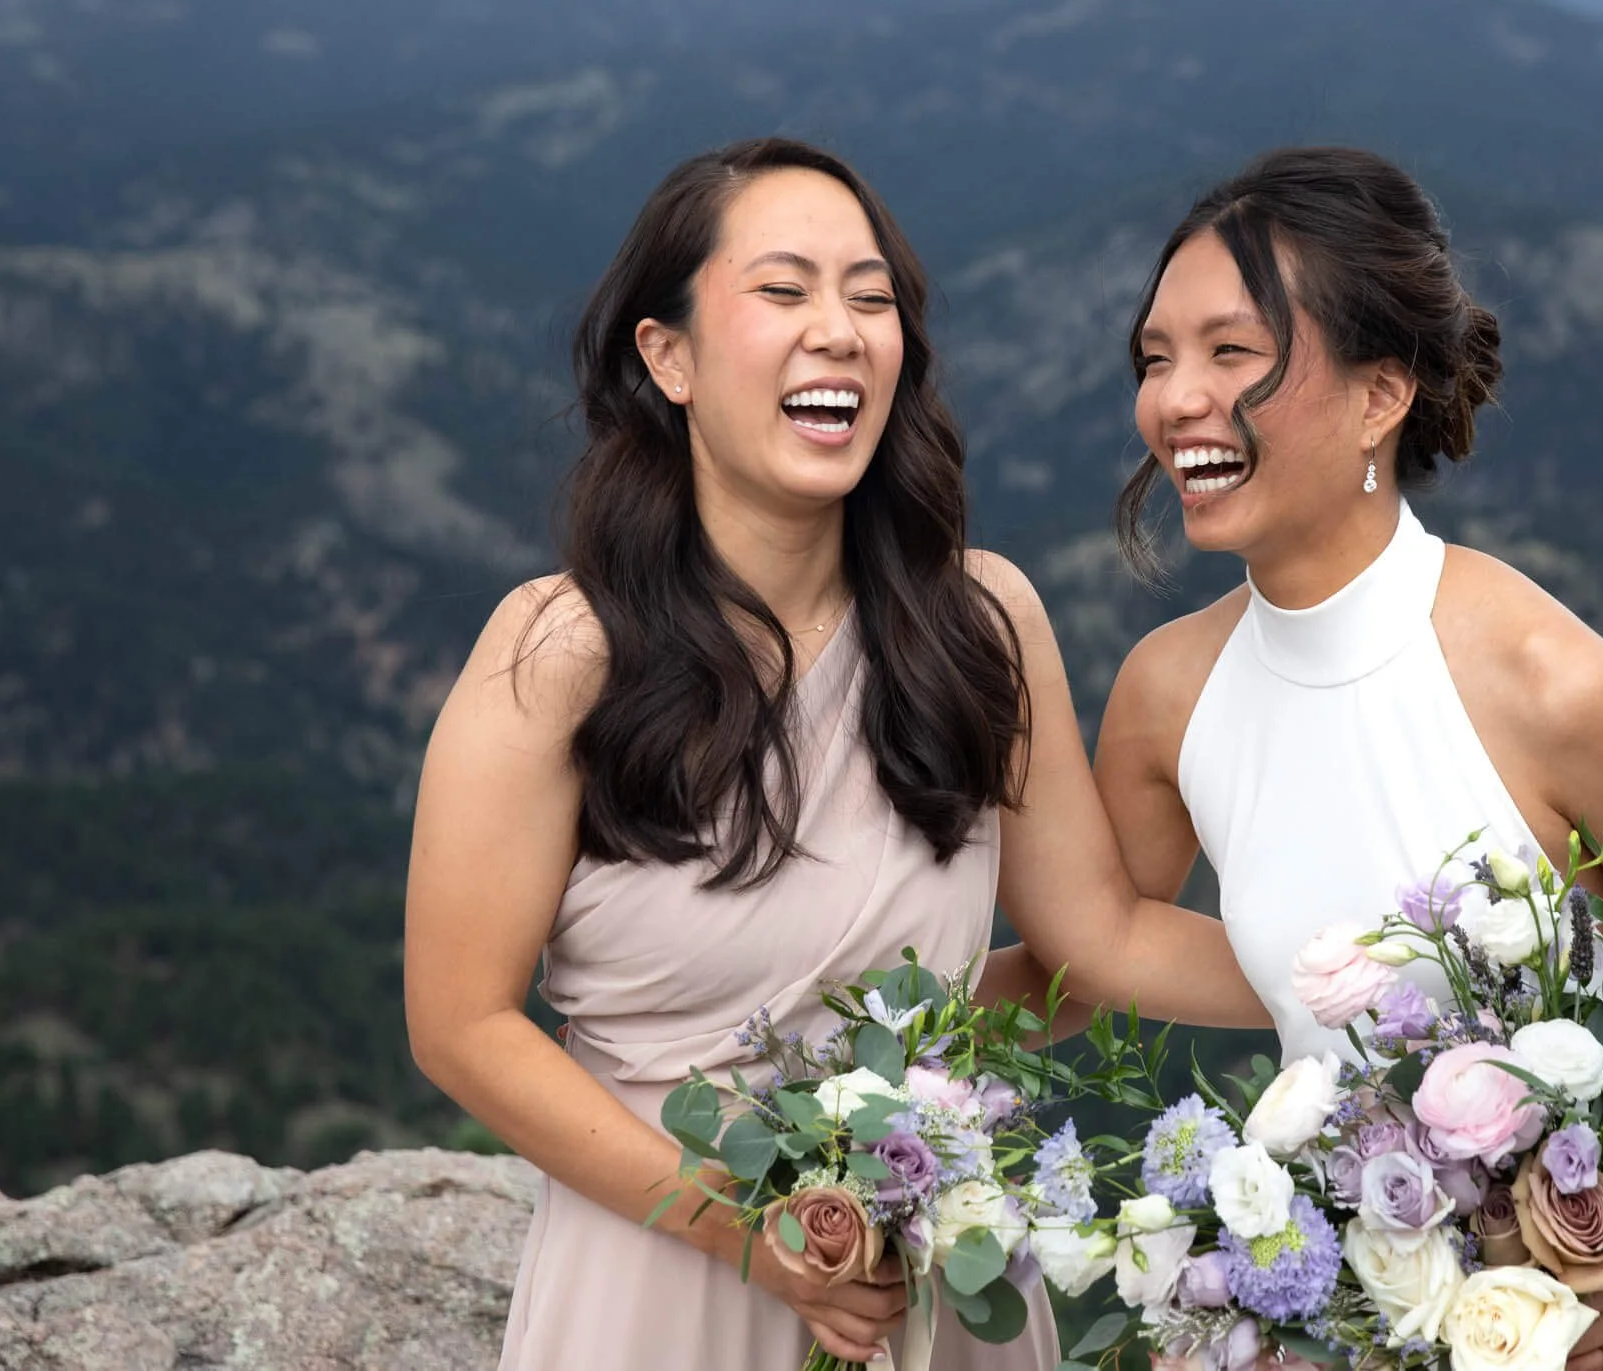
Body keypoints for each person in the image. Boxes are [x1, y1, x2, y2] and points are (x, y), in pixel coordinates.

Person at [404, 137, 1266, 1370]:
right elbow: (459, 1022)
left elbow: (1089, 956)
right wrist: (747, 1233)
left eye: (870, 298)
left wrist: (1370, 982)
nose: (839, 331)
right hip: (661, 1284)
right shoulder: (562, 649)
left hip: (927, 1287)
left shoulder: (978, 623)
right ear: (668, 356)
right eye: (783, 289)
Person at [1090, 146, 1603, 1371]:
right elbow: (1092, 945)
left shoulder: (1545, 680)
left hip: (1591, 1332)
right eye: (1155, 358)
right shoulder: (1166, 693)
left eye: (1231, 352)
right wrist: (848, 1047)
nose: (1175, 398)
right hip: (1348, 1325)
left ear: (1379, 395)